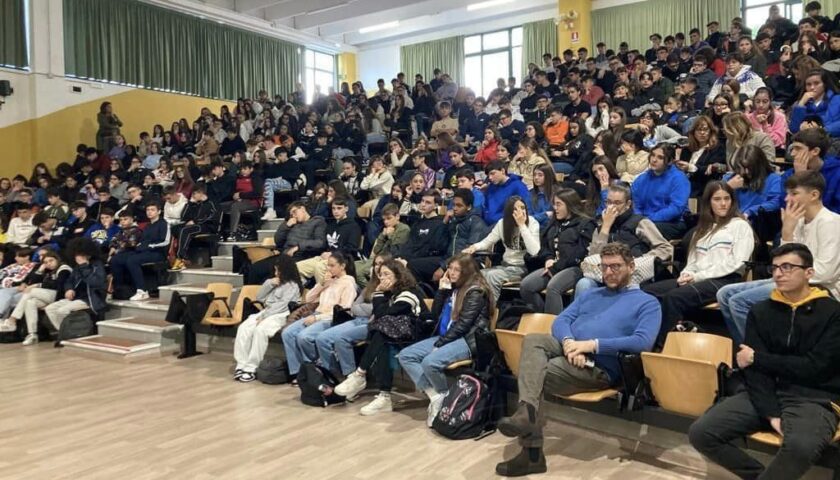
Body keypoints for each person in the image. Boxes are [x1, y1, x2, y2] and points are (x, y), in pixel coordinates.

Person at [495, 242, 661, 477]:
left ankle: (531, 449)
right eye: (604, 267)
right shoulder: (592, 294)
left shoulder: (648, 302)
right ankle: (527, 414)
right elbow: (561, 321)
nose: (608, 273)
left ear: (631, 266)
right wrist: (570, 344)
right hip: (571, 351)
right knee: (533, 340)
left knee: (535, 371)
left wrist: (591, 345)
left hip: (600, 367)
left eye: (615, 267)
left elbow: (642, 342)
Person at [689, 243, 840, 480]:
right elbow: (753, 372)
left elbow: (816, 367)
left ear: (809, 273)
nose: (779, 273)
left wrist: (759, 358)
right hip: (766, 391)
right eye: (775, 267)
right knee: (701, 433)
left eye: (788, 267)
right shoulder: (761, 311)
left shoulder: (833, 312)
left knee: (800, 447)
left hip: (814, 397)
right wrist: (771, 413)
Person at [718, 171, 840, 345]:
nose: (787, 199)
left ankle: (759, 354)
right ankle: (747, 350)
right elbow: (784, 262)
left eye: (794, 193)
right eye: (788, 193)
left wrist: (788, 275)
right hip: (796, 280)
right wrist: (787, 231)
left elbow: (826, 273)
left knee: (739, 301)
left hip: (824, 288)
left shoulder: (830, 222)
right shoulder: (797, 220)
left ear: (814, 195)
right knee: (724, 294)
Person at [642, 181, 754, 345]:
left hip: (725, 279)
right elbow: (693, 260)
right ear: (708, 202)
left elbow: (737, 262)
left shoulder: (740, 226)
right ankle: (647, 339)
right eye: (717, 199)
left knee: (675, 298)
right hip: (697, 277)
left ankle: (662, 348)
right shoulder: (702, 229)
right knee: (647, 292)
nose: (723, 203)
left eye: (726, 198)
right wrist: (686, 274)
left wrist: (698, 276)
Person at [398, 253, 495, 426]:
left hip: (467, 340)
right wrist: (442, 291)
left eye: (457, 269)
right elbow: (434, 315)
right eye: (450, 268)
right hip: (446, 336)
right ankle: (437, 397)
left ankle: (444, 397)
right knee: (406, 355)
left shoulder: (476, 291)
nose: (451, 272)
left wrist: (440, 344)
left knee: (429, 362)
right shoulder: (453, 288)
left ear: (467, 271)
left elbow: (464, 325)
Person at [333, 259, 426, 415]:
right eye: (380, 275)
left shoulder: (409, 292)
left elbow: (383, 313)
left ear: (398, 275)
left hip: (417, 336)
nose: (382, 278)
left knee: (382, 334)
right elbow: (378, 315)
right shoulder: (391, 293)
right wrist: (381, 294)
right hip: (396, 335)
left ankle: (360, 376)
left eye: (387, 274)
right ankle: (383, 396)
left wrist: (378, 293)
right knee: (384, 340)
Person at [281, 251, 357, 383]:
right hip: (317, 313)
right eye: (328, 265)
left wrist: (317, 319)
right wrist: (322, 284)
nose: (329, 268)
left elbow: (344, 310)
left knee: (304, 337)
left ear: (342, 266)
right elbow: (309, 298)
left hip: (331, 318)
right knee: (287, 333)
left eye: (332, 265)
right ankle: (298, 371)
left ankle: (315, 369)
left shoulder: (348, 283)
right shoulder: (328, 280)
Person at [520, 190, 595, 314]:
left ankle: (553, 327)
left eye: (559, 204)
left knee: (553, 287)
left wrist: (555, 268)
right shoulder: (554, 224)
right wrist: (548, 258)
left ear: (570, 204)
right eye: (554, 204)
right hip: (552, 265)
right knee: (526, 286)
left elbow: (579, 254)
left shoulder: (585, 224)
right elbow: (544, 246)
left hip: (575, 267)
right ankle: (542, 316)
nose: (555, 208)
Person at [316, 253, 388, 379]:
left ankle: (351, 378)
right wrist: (366, 308)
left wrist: (364, 308)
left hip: (372, 323)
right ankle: (333, 374)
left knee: (341, 338)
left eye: (381, 264)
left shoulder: (390, 286)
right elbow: (354, 306)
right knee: (322, 338)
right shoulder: (371, 285)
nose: (377, 267)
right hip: (356, 320)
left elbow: (379, 309)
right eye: (375, 264)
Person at [233, 256, 303, 382]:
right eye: (275, 271)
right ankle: (241, 364)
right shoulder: (274, 283)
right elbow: (259, 297)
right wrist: (269, 283)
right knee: (244, 327)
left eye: (278, 271)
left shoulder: (293, 286)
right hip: (266, 312)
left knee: (261, 330)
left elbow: (282, 306)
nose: (276, 274)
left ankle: (251, 367)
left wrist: (264, 317)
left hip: (281, 315)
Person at [464, 196, 540, 300]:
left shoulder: (533, 223)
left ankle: (491, 310)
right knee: (477, 275)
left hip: (523, 268)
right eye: (515, 209)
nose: (521, 212)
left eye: (523, 208)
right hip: (505, 266)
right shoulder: (502, 223)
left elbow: (535, 251)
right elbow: (487, 241)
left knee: (492, 276)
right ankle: (478, 308)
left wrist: (522, 226)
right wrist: (474, 247)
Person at [0, 250, 72, 344]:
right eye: (46, 262)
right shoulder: (48, 271)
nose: (49, 264)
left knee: (31, 291)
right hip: (49, 295)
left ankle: (12, 320)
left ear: (57, 259)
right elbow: (32, 281)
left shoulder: (64, 269)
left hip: (61, 296)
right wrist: (40, 270)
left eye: (51, 261)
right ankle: (32, 334)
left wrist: (38, 285)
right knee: (30, 302)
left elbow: (59, 285)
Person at [109, 202, 170, 301]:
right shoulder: (148, 226)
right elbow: (141, 242)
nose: (149, 212)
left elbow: (165, 242)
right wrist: (140, 246)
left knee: (132, 260)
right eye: (148, 210)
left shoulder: (164, 224)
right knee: (116, 259)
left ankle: (142, 290)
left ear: (159, 211)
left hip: (157, 253)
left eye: (152, 210)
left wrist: (148, 246)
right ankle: (119, 289)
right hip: (143, 251)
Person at [44, 238, 107, 330]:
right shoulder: (77, 267)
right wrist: (69, 289)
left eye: (80, 254)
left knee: (62, 311)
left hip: (91, 299)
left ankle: (69, 333)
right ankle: (63, 332)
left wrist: (84, 266)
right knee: (50, 309)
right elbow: (69, 281)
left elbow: (96, 282)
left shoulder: (97, 265)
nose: (77, 256)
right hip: (76, 297)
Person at [631, 144, 689, 240]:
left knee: (641, 232)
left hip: (673, 223)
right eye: (653, 155)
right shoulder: (642, 178)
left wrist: (648, 220)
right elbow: (636, 203)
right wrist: (639, 218)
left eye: (660, 157)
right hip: (645, 221)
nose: (654, 160)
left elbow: (676, 208)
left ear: (670, 161)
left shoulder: (679, 178)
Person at [296, 198, 361, 284]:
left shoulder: (353, 226)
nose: (336, 211)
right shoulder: (330, 225)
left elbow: (352, 248)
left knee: (319, 267)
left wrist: (332, 254)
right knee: (296, 267)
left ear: (346, 209)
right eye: (333, 208)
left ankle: (324, 294)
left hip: (343, 259)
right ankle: (304, 290)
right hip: (326, 257)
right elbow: (325, 245)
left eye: (339, 208)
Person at [779, 128, 840, 213]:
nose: (792, 154)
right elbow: (786, 207)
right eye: (792, 148)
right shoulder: (789, 175)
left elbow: (836, 211)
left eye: (798, 148)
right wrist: (799, 177)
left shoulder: (836, 173)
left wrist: (803, 178)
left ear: (815, 151)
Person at [724, 145, 783, 221]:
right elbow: (711, 200)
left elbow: (776, 202)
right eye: (742, 168)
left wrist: (750, 212)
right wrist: (728, 187)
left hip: (757, 223)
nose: (746, 172)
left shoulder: (774, 179)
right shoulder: (730, 179)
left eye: (750, 167)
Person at [790, 69, 840, 137]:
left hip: (832, 139)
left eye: (816, 83)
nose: (812, 87)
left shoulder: (837, 99)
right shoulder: (801, 104)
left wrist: (821, 130)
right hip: (806, 140)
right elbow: (794, 129)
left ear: (825, 84)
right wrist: (801, 104)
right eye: (808, 84)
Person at [483, 161, 530, 225]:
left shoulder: (518, 186)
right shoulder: (490, 187)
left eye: (492, 173)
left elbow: (524, 208)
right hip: (488, 224)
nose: (490, 178)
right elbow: (486, 206)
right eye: (488, 175)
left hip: (507, 225)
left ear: (502, 171)